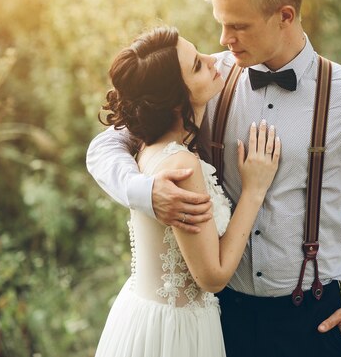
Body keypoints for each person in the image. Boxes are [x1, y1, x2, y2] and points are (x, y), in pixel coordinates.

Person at [87, 0, 341, 357]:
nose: (224, 40)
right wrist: (145, 192)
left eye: (238, 26)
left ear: (285, 16)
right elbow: (109, 141)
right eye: (221, 23)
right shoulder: (208, 82)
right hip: (219, 319)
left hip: (309, 320)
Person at [92, 26, 280, 357]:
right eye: (196, 65)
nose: (212, 60)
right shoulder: (182, 165)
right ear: (176, 101)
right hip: (177, 332)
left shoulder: (149, 146)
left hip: (142, 316)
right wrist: (254, 189)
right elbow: (212, 277)